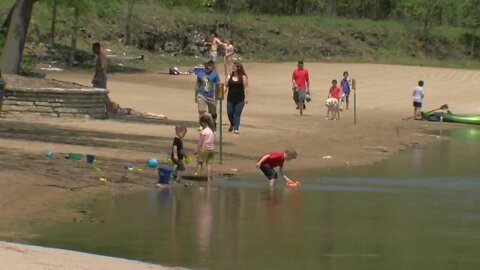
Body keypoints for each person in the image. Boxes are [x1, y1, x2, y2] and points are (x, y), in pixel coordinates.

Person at [195, 60, 220, 130]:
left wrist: (218, 97)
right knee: (201, 111)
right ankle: (201, 125)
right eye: (206, 63)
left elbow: (218, 85)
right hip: (201, 94)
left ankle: (214, 123)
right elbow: (197, 85)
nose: (208, 65)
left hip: (211, 96)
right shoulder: (200, 74)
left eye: (209, 63)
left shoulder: (215, 74)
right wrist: (196, 96)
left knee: (213, 112)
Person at [225, 62, 248, 134]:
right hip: (230, 99)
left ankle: (236, 128)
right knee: (230, 113)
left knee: (237, 113)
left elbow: (246, 88)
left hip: (240, 99)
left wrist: (246, 98)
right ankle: (232, 124)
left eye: (236, 67)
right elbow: (225, 86)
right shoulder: (229, 77)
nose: (234, 68)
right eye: (233, 67)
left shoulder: (243, 77)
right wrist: (221, 94)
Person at [195, 115, 215, 182]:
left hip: (205, 149)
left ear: (203, 123)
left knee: (200, 163)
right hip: (212, 149)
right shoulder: (211, 131)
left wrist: (197, 150)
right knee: (209, 164)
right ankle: (209, 178)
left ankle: (198, 177)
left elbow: (200, 142)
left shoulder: (204, 132)